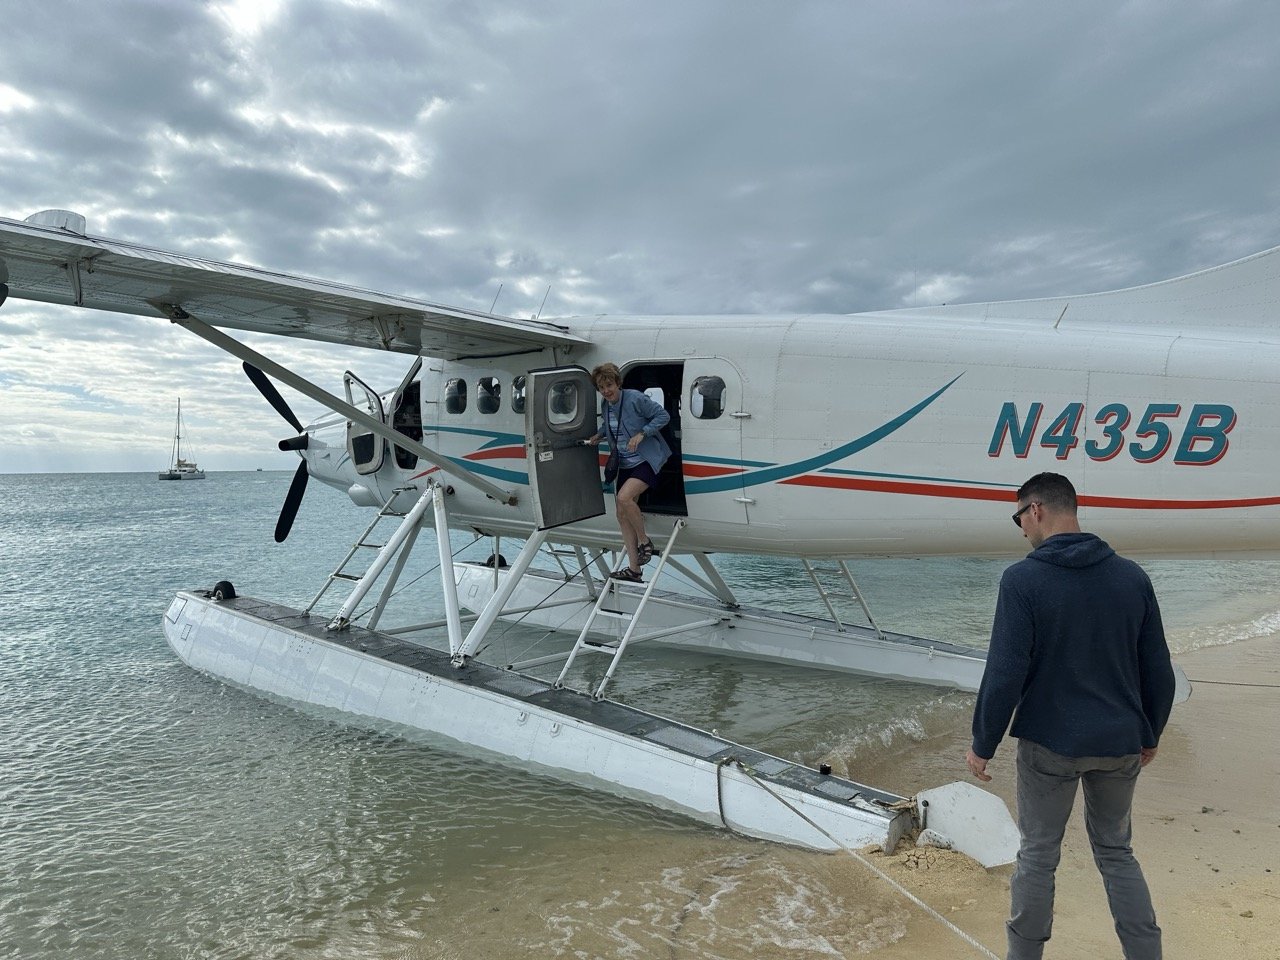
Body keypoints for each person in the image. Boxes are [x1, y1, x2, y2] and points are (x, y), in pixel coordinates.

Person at [966, 472, 1175, 960]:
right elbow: (1157, 669)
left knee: (1038, 856)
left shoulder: (1023, 579)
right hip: (1120, 741)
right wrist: (1150, 732)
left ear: (1035, 510)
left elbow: (1005, 672)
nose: (1020, 529)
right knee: (1117, 852)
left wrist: (983, 743)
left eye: (1018, 517)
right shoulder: (1131, 577)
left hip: (1049, 745)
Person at [587, 362, 671, 582]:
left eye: (609, 385)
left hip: (645, 459)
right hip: (625, 462)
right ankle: (634, 570)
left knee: (624, 498)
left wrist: (642, 434)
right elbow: (610, 426)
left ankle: (645, 542)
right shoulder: (606, 405)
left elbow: (663, 416)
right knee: (621, 513)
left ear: (617, 383)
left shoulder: (634, 398)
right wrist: (599, 435)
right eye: (601, 387)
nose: (606, 391)